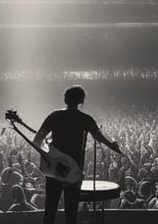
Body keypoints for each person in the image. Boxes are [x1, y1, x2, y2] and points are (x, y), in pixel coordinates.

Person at [33, 85, 122, 224]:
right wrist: (114, 146)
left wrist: (51, 158)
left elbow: (37, 141)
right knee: (71, 214)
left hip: (54, 170)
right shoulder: (86, 119)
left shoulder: (54, 116)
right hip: (74, 170)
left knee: (49, 212)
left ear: (64, 99)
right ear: (82, 101)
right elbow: (100, 138)